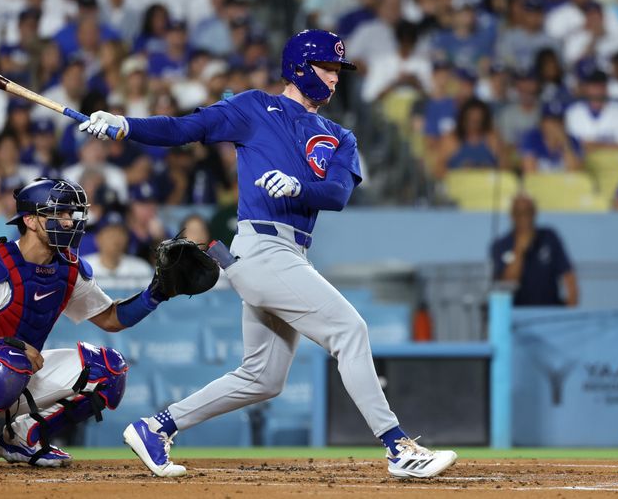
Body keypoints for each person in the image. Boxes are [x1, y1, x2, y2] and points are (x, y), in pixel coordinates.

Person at [80, 29, 457, 479]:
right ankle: (398, 447)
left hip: (291, 254)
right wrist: (125, 124)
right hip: (260, 248)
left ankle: (156, 426)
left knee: (263, 377)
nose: (336, 79)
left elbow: (337, 194)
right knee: (350, 330)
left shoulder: (340, 135)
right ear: (300, 67)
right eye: (328, 68)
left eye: (339, 71)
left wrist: (301, 186)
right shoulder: (254, 107)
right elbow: (185, 127)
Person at [0, 178, 175, 471]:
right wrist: (11, 345)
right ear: (31, 220)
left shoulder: (68, 268)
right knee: (11, 358)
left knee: (111, 369)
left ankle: (23, 437)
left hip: (16, 372)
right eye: (59, 213)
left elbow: (111, 319)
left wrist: (156, 293)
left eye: (71, 214)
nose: (69, 222)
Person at [491, 194, 579, 307]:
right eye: (519, 213)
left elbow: (568, 275)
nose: (524, 218)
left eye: (528, 212)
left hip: (550, 311)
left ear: (535, 213)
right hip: (519, 313)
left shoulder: (549, 237)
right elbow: (508, 283)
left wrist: (570, 307)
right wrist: (519, 249)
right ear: (512, 215)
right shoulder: (501, 245)